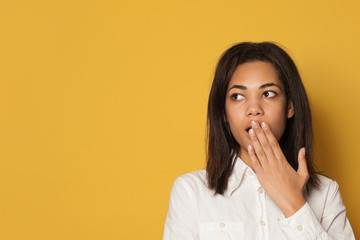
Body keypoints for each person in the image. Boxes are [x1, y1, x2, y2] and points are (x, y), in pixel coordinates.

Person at [163, 42, 355, 239]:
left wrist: (294, 204)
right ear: (224, 112)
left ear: (290, 106)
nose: (254, 109)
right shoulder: (190, 192)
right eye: (237, 96)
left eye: (268, 93)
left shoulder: (325, 193)